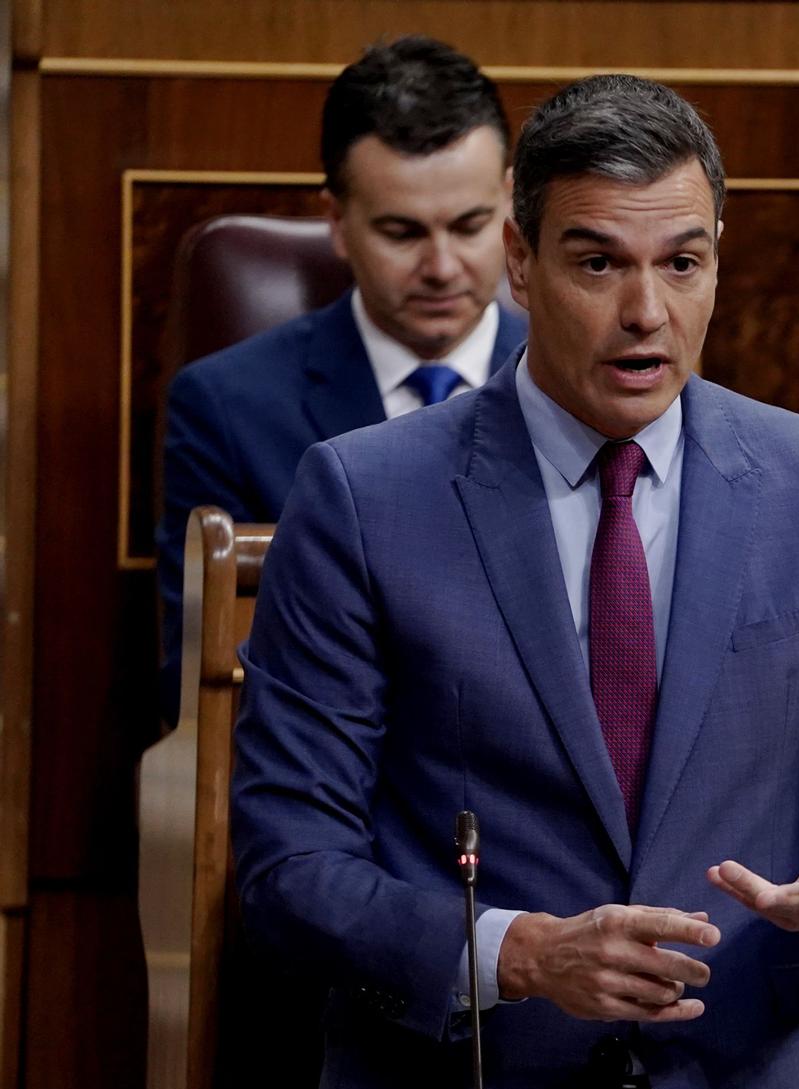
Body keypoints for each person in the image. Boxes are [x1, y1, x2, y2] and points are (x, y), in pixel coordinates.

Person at [229, 74, 799, 1089]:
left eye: (681, 263)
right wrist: (511, 952)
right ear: (520, 263)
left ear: (720, 260)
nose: (645, 312)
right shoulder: (363, 498)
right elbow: (285, 861)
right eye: (597, 264)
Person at [156, 35, 526, 720]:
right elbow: (208, 686)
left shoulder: (586, 380)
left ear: (509, 202)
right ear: (336, 221)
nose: (443, 266)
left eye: (471, 224)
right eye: (403, 232)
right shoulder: (230, 408)